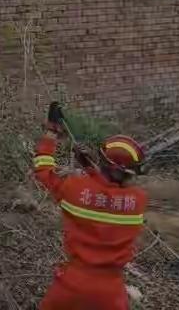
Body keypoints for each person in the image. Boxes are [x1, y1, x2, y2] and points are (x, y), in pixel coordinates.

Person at [34, 102, 147, 310]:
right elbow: (110, 192)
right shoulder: (137, 201)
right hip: (110, 294)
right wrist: (91, 169)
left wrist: (51, 130)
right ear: (130, 173)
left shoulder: (75, 189)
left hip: (71, 285)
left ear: (101, 162)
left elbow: (43, 169)